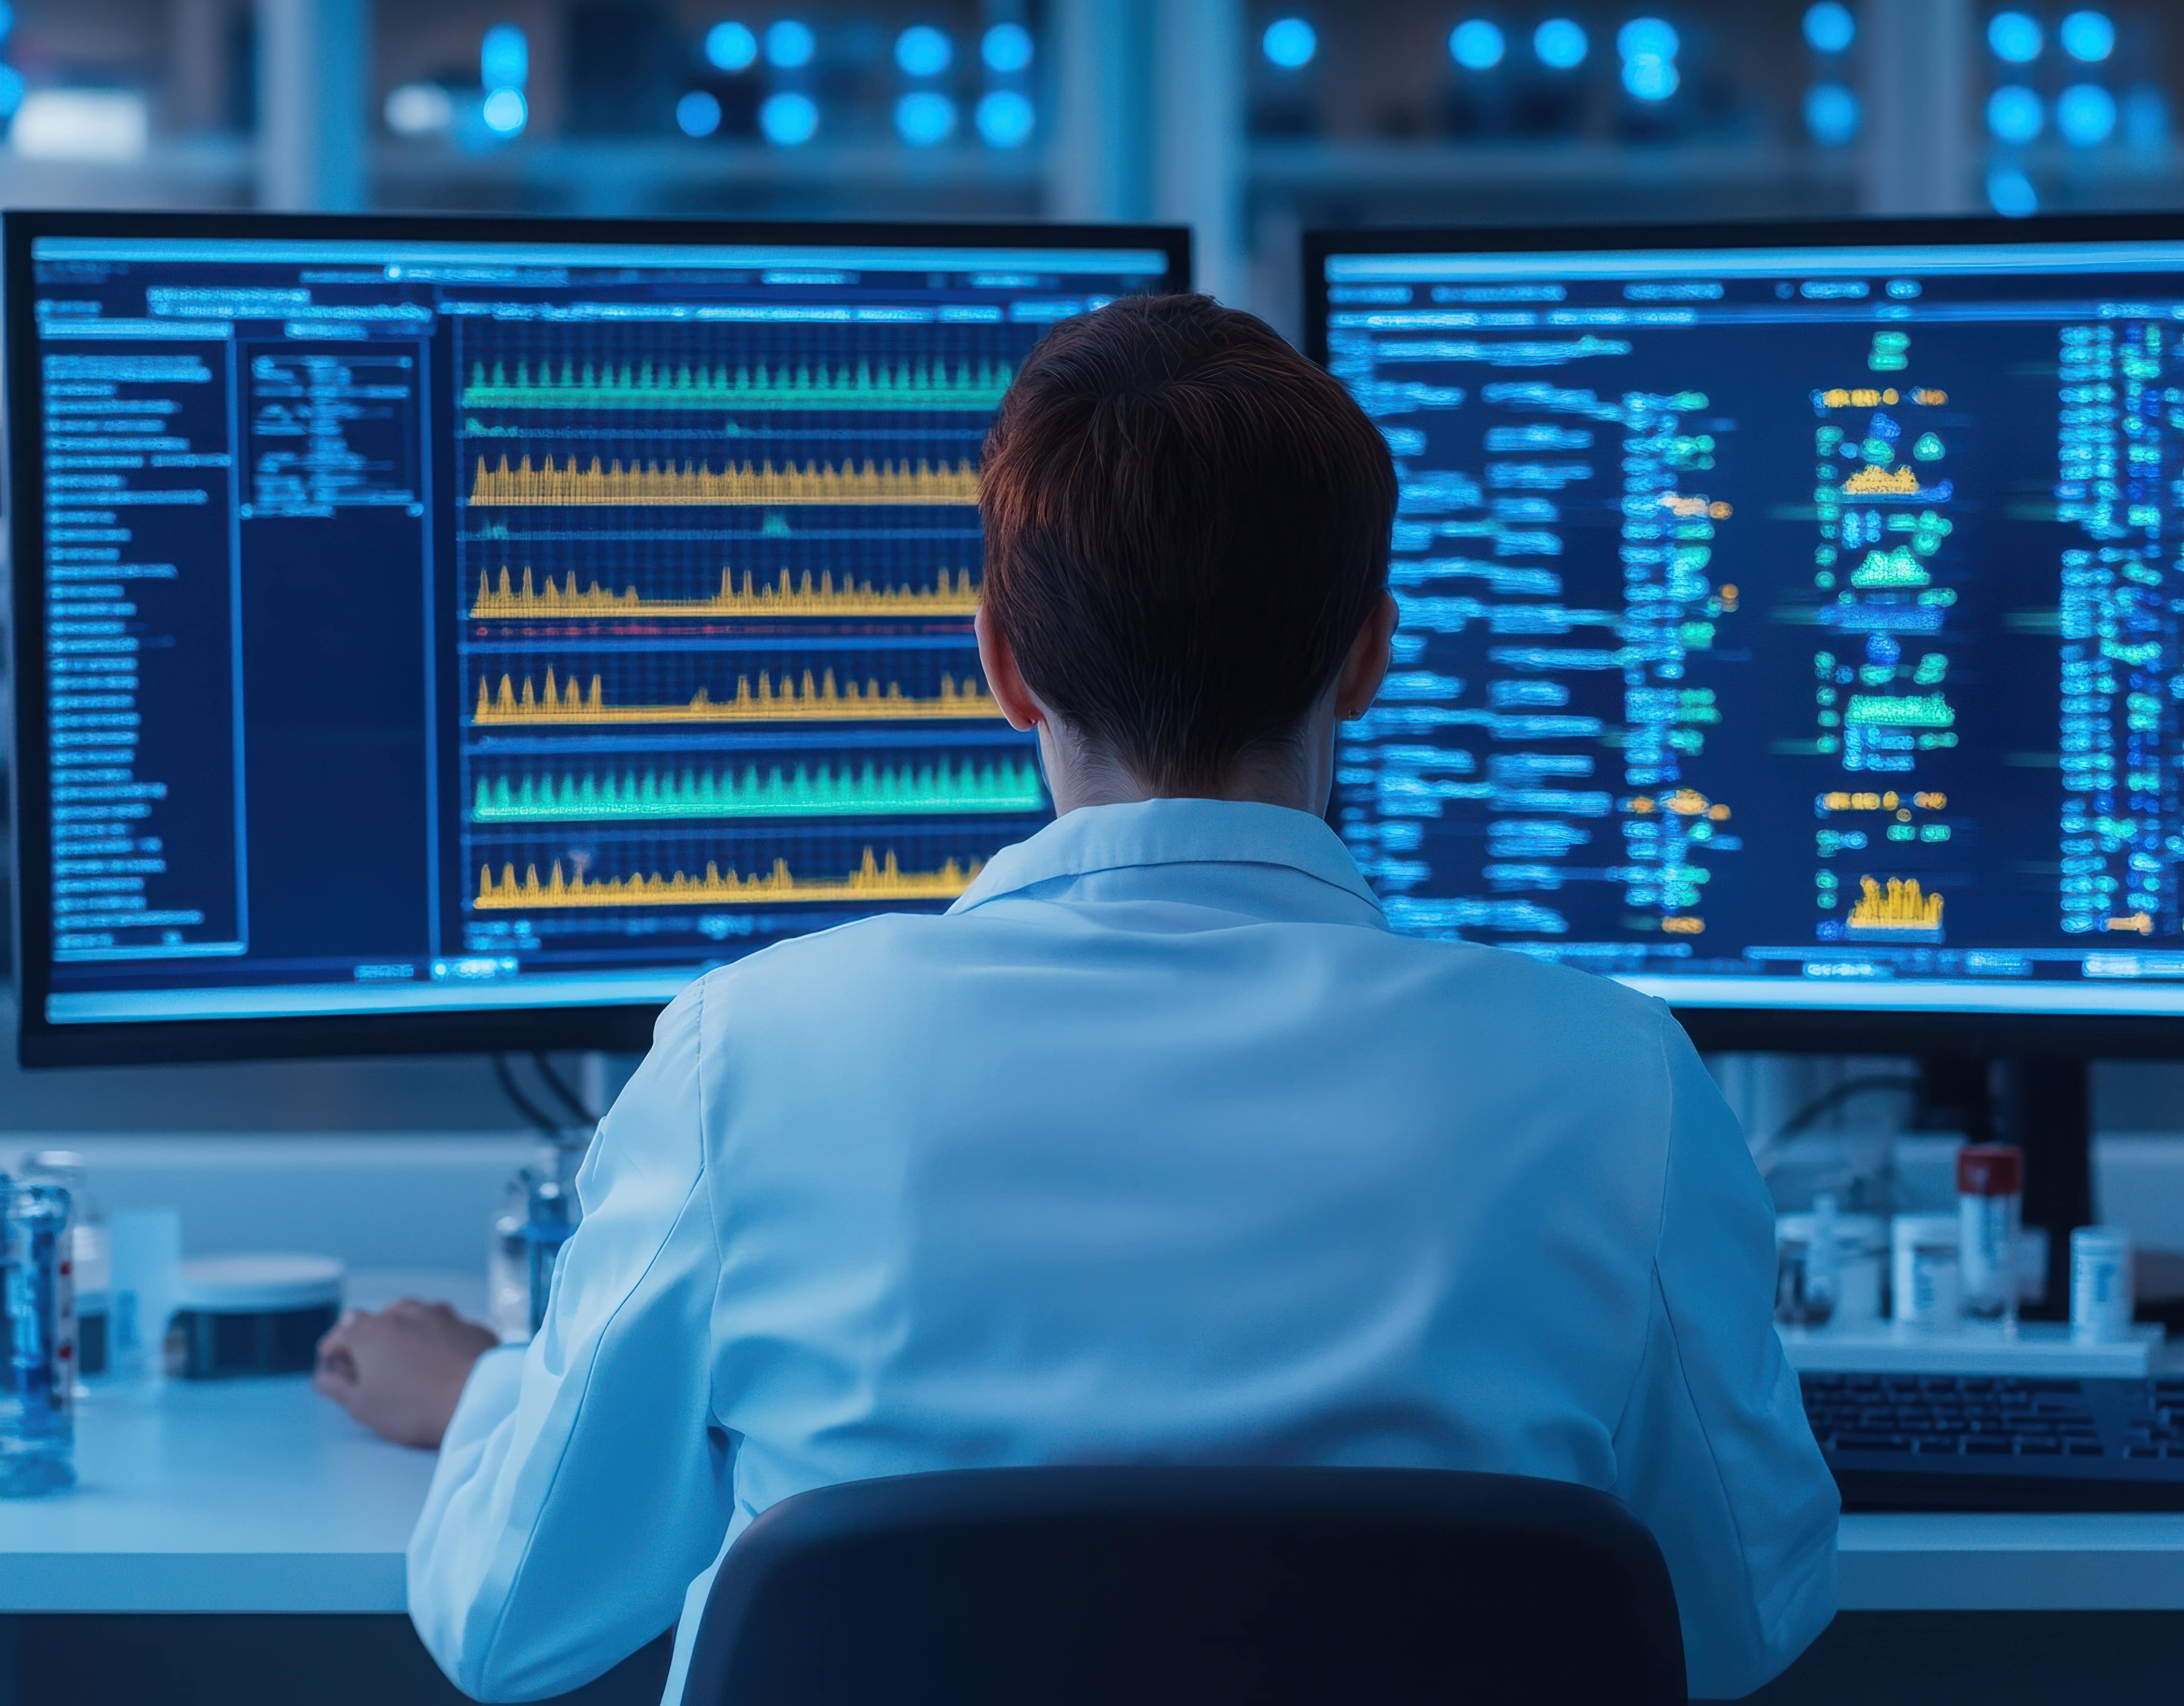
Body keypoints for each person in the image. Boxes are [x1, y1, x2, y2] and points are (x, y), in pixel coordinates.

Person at [315, 293, 1838, 1702]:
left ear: (1003, 667)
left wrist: (489, 1396)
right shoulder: (1613, 1083)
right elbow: (1741, 1619)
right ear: (1370, 656)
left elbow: (512, 1627)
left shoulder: (755, 1060)